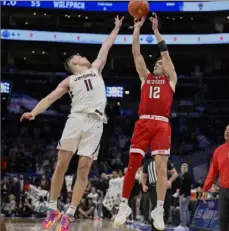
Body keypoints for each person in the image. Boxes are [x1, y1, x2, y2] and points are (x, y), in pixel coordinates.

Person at [20, 16, 124, 231]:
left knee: (84, 169)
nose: (84, 55)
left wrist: (117, 27)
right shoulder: (69, 80)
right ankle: (52, 209)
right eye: (79, 55)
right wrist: (34, 112)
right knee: (61, 165)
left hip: (95, 122)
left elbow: (106, 46)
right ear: (74, 63)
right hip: (76, 118)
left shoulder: (95, 69)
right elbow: (50, 98)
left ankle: (70, 212)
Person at [114, 13, 177, 230]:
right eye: (157, 62)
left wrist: (157, 30)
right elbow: (136, 52)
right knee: (133, 165)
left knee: (161, 168)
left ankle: (158, 209)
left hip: (161, 123)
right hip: (143, 123)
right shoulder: (146, 78)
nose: (159, 63)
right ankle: (124, 205)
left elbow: (166, 54)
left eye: (162, 62)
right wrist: (137, 28)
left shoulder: (172, 79)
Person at [202, 125, 229, 231]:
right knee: (222, 220)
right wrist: (205, 188)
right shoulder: (218, 151)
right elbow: (212, 172)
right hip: (223, 190)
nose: (227, 132)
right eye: (226, 130)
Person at [141, 157, 178, 229]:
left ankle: (161, 227)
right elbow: (143, 175)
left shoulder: (166, 160)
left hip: (164, 188)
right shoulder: (148, 162)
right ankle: (155, 228)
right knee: (156, 208)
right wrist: (143, 185)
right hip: (153, 187)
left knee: (166, 209)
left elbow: (175, 173)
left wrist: (170, 181)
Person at [175, 163, 192, 231]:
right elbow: (182, 186)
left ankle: (183, 225)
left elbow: (188, 188)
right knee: (185, 210)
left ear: (187, 169)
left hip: (184, 195)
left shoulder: (187, 177)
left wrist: (185, 196)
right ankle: (187, 225)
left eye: (185, 167)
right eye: (182, 167)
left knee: (182, 210)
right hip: (183, 195)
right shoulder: (182, 176)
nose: (183, 168)